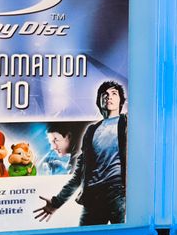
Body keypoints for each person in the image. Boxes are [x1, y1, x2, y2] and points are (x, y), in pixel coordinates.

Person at [34, 81, 127, 225]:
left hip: (118, 192)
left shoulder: (128, 123)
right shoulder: (92, 130)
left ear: (121, 100)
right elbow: (79, 174)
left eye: (114, 93)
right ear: (99, 101)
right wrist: (56, 202)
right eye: (105, 94)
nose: (109, 97)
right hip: (92, 195)